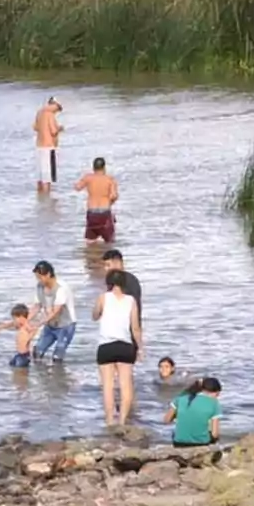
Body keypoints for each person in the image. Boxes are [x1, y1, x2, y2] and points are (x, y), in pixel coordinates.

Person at [93, 269, 143, 427]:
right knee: (125, 385)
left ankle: (109, 420)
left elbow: (95, 316)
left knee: (108, 386)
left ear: (108, 283)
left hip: (105, 346)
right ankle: (122, 421)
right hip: (125, 346)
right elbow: (135, 328)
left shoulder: (103, 297)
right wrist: (140, 348)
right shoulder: (131, 300)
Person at [27, 261, 77, 363]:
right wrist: (26, 320)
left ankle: (58, 377)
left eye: (40, 277)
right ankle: (40, 375)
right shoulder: (40, 287)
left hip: (65, 326)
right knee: (37, 352)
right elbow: (37, 306)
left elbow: (56, 311)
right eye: (37, 277)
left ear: (48, 274)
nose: (38, 280)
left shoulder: (61, 288)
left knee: (57, 357)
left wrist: (38, 324)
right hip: (50, 325)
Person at [165, 377, 222, 447]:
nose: (217, 398)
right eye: (217, 395)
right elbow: (215, 434)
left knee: (176, 432)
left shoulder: (181, 398)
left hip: (178, 443)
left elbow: (166, 420)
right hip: (201, 443)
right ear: (215, 392)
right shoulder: (214, 403)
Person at [75, 157, 119, 243]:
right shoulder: (110, 179)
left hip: (92, 213)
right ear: (104, 167)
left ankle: (92, 255)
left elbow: (77, 187)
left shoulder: (88, 178)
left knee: (90, 241)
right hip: (105, 212)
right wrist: (110, 203)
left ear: (93, 167)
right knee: (109, 241)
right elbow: (114, 196)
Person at [0, 304, 38, 368]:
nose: (14, 320)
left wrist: (29, 337)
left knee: (20, 371)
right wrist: (0, 328)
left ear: (21, 317)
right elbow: (11, 324)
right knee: (11, 365)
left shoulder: (26, 326)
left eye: (15, 318)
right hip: (19, 354)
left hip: (24, 355)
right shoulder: (20, 325)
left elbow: (34, 330)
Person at [33, 96, 64, 194]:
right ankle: (47, 201)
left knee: (40, 178)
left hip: (39, 147)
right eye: (58, 108)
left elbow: (35, 127)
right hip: (48, 147)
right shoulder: (50, 114)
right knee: (48, 178)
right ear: (54, 105)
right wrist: (60, 128)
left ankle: (40, 199)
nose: (57, 111)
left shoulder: (39, 112)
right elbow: (53, 131)